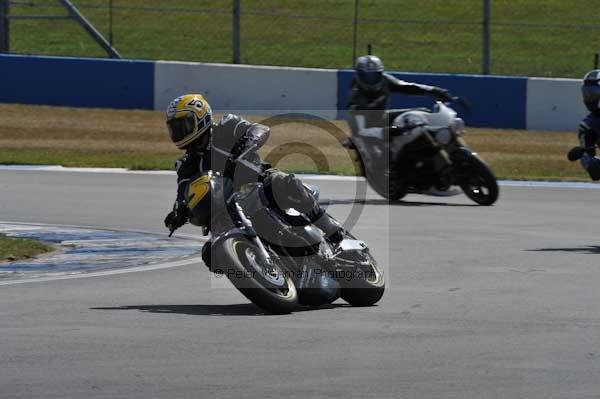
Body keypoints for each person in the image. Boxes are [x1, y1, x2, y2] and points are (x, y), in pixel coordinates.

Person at [163, 94, 344, 268]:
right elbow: (185, 191)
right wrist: (178, 212)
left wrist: (248, 141)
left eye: (183, 125)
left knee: (281, 181)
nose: (179, 132)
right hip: (228, 207)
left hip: (259, 182)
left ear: (201, 117)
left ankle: (329, 228)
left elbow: (259, 130)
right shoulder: (186, 164)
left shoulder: (227, 126)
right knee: (210, 254)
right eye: (175, 128)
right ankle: (262, 273)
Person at [346, 54, 452, 140]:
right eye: (367, 76)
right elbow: (361, 131)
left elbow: (408, 87)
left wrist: (436, 91)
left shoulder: (385, 80)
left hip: (382, 118)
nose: (372, 80)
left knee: (423, 113)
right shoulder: (355, 98)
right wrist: (394, 130)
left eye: (375, 75)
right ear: (359, 75)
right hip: (367, 130)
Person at [567, 70, 600, 180]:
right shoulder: (588, 126)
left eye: (593, 95)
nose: (589, 99)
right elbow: (586, 156)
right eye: (587, 94)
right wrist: (591, 164)